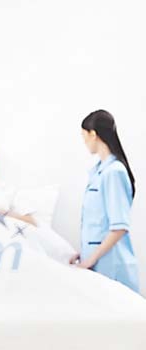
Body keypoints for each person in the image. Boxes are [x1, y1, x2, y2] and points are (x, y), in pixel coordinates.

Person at [70, 109, 139, 293]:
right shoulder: (99, 172)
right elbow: (97, 225)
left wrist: (88, 262)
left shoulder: (114, 172)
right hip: (98, 265)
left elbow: (119, 227)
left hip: (112, 267)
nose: (84, 142)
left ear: (93, 134)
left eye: (84, 136)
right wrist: (83, 253)